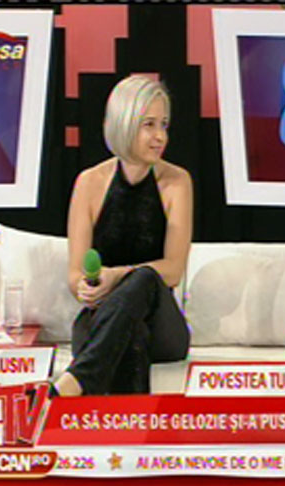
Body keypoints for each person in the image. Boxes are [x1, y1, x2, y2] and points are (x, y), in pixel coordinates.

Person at [52, 75, 192, 396]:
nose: (160, 136)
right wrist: (85, 287)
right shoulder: (89, 183)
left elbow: (173, 271)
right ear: (123, 124)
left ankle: (79, 379)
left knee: (145, 277)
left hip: (162, 327)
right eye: (149, 125)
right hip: (102, 318)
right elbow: (75, 275)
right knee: (131, 335)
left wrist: (117, 275)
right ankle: (131, 428)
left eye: (164, 125)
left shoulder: (178, 182)